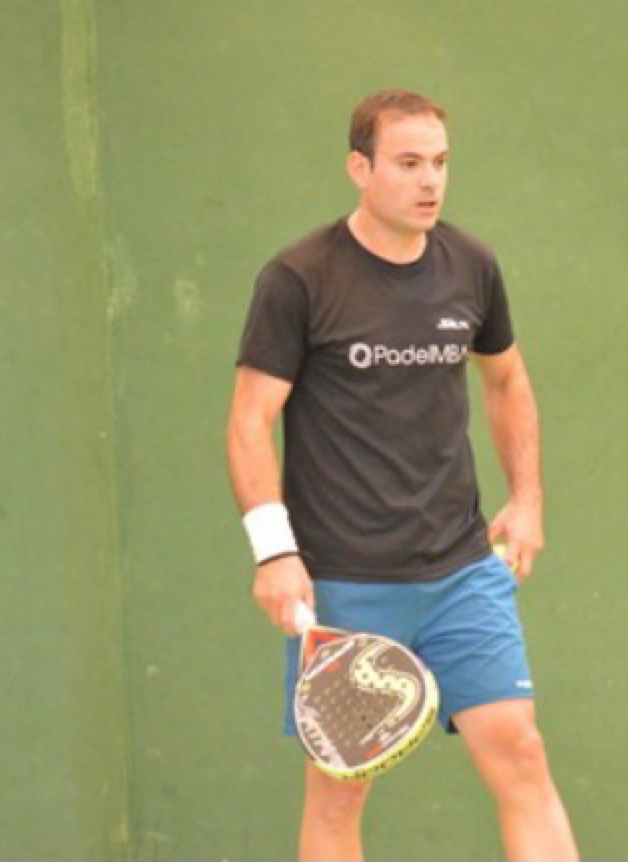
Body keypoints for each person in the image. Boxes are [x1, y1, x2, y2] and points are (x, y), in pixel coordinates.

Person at [226, 89, 580, 862]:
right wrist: (274, 551)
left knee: (521, 751)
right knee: (338, 790)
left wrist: (526, 500)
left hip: (462, 570)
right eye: (409, 163)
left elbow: (507, 380)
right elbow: (251, 419)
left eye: (441, 163)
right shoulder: (299, 278)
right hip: (346, 582)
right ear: (360, 168)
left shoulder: (472, 266)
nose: (430, 181)